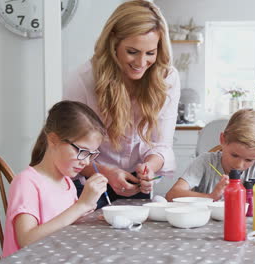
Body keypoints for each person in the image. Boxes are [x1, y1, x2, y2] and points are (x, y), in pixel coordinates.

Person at [64, 0, 180, 207]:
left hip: (135, 181)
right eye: (132, 52)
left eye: (150, 53)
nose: (141, 62)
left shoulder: (167, 78)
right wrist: (105, 172)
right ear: (113, 43)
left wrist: (149, 169)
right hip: (90, 180)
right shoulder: (84, 80)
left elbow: (162, 144)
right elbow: (70, 149)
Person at [2, 101, 108, 257]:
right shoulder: (26, 183)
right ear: (53, 140)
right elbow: (26, 239)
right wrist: (81, 206)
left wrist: (87, 211)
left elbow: (64, 225)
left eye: (91, 154)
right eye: (82, 151)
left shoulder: (67, 183)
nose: (86, 162)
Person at [165, 109, 255, 201]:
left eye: (249, 160)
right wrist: (211, 197)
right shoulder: (206, 162)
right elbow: (172, 194)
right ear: (222, 139)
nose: (239, 165)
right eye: (234, 155)